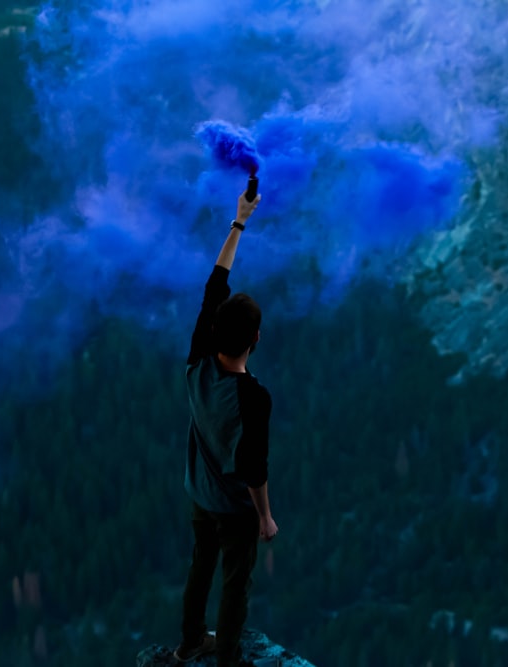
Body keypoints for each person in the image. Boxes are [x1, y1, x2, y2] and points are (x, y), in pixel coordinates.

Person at [174, 189, 279, 667]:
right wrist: (264, 517)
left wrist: (239, 222)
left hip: (199, 492)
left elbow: (216, 283)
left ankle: (191, 640)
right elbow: (254, 467)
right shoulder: (253, 398)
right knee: (236, 582)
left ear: (215, 329)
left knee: (201, 564)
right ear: (256, 339)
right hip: (235, 506)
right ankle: (227, 659)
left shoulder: (198, 358)